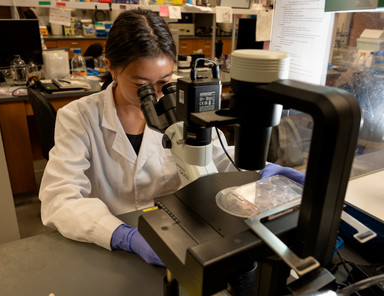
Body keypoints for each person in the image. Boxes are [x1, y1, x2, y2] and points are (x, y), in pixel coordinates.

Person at [39, 9, 304, 267]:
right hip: (112, 242)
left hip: (184, 234)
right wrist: (124, 236)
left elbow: (216, 159)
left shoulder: (185, 107)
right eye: (141, 85)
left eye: (164, 81)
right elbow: (59, 199)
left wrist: (263, 172)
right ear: (110, 66)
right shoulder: (78, 117)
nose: (155, 94)